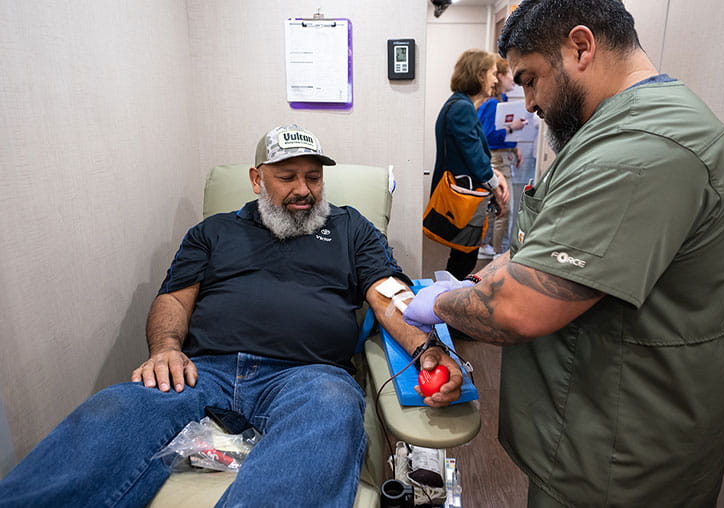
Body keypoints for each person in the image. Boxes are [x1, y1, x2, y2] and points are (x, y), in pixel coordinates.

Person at [0, 124, 464, 508]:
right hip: (202, 371)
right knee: (115, 409)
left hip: (309, 376)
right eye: (287, 177)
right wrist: (165, 349)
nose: (304, 190)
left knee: (330, 408)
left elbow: (388, 295)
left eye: (313, 177)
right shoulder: (213, 232)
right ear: (257, 179)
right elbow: (173, 300)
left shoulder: (350, 227)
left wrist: (425, 347)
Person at [404, 1, 724, 506]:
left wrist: (439, 302)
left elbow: (520, 308)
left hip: (620, 461)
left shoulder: (643, 148)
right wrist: (491, 274)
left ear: (581, 48)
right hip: (589, 430)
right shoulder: (609, 134)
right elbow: (551, 248)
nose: (528, 103)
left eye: (530, 80)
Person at [431, 48, 510, 280]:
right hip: (466, 195)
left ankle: (447, 295)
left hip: (466, 192)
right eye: (492, 73)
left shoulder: (460, 104)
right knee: (463, 261)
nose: (495, 80)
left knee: (461, 259)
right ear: (479, 74)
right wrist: (496, 187)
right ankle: (447, 297)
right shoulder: (462, 108)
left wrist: (493, 173)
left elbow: (469, 151)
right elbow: (474, 156)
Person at [476, 55, 527, 259]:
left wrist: (514, 148)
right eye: (509, 74)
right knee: (505, 208)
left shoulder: (501, 101)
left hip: (502, 157)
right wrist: (511, 128)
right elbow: (487, 136)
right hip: (497, 159)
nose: (513, 79)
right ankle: (500, 253)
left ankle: (489, 246)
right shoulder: (491, 104)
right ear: (499, 77)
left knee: (496, 207)